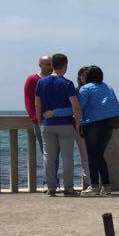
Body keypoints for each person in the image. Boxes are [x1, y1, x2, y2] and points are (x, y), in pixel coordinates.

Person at [34, 53, 81, 197]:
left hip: (47, 125)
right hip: (65, 124)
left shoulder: (41, 83)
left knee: (48, 157)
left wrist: (41, 121)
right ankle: (69, 188)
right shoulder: (67, 84)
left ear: (52, 65)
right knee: (67, 157)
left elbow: (37, 104)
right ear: (65, 66)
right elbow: (75, 107)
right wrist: (77, 124)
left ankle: (51, 187)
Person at [78, 65, 119, 197]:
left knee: (93, 156)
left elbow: (79, 107)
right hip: (109, 124)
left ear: (88, 77)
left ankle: (95, 186)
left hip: (92, 124)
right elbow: (117, 106)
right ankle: (106, 186)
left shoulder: (85, 88)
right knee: (99, 155)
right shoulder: (108, 87)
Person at [23, 55, 54, 189]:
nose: (49, 67)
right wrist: (36, 119)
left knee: (55, 154)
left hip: (55, 120)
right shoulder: (32, 79)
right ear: (40, 64)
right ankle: (48, 182)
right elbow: (29, 101)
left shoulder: (54, 80)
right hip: (40, 122)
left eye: (51, 64)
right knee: (46, 153)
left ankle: (53, 181)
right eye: (46, 64)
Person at [74, 66, 92, 191]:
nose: (84, 78)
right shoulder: (76, 91)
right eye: (82, 75)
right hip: (81, 126)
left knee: (93, 156)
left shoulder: (93, 89)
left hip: (92, 125)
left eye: (86, 75)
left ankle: (93, 183)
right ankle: (90, 183)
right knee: (85, 156)